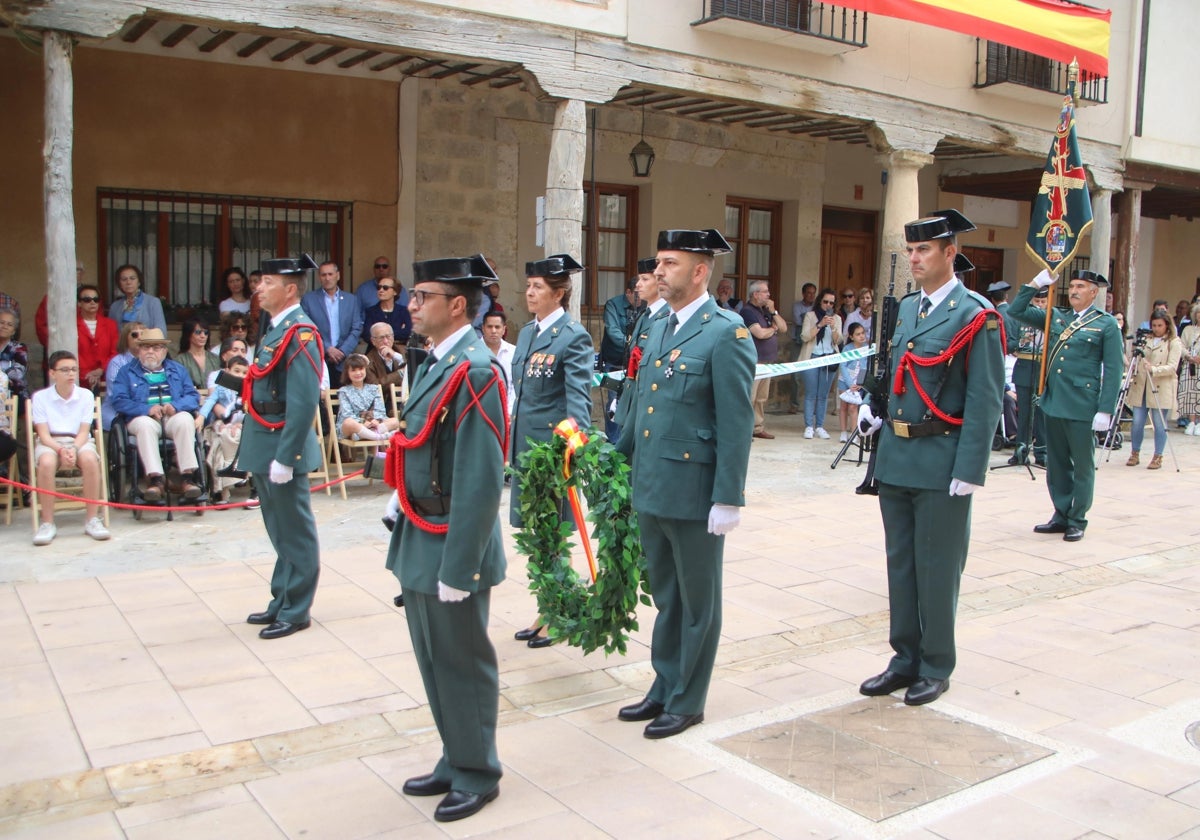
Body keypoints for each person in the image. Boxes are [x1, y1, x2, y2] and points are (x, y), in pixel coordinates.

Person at [855, 210, 1004, 706]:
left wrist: (970, 468)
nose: (915, 259)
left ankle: (936, 663)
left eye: (924, 251)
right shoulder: (908, 309)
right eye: (911, 250)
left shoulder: (975, 313)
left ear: (949, 254)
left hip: (942, 459)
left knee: (937, 568)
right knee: (901, 566)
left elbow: (984, 398)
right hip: (897, 456)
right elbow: (897, 376)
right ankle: (905, 658)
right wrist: (874, 411)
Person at [615, 228, 755, 739]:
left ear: (700, 272)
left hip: (695, 491)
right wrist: (614, 461)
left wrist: (727, 497)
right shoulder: (657, 328)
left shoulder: (727, 332)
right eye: (658, 262)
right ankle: (664, 684)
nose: (658, 272)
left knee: (699, 601)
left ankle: (689, 699)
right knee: (667, 596)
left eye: (670, 263)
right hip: (653, 484)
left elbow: (736, 422)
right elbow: (640, 408)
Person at [385, 254, 507, 823]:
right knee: (434, 660)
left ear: (456, 304)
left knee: (462, 660)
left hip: (453, 539)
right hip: (423, 529)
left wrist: (461, 567)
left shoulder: (475, 369)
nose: (411, 305)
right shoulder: (437, 361)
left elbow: (482, 480)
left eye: (421, 296)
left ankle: (478, 770)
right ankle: (455, 753)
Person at [509, 254, 594, 648]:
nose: (529, 292)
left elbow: (578, 401)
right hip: (525, 453)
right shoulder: (527, 334)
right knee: (536, 537)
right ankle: (547, 609)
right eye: (528, 286)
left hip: (550, 456)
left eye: (538, 287)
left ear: (559, 294)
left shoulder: (572, 336)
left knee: (554, 537)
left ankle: (562, 615)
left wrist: (572, 447)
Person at [240, 255, 325, 640]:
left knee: (295, 530)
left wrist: (287, 457)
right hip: (265, 437)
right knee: (278, 528)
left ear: (290, 290)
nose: (259, 288)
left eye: (267, 282)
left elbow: (304, 400)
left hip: (281, 443)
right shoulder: (275, 327)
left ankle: (297, 609)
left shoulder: (301, 332)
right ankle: (282, 598)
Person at [1009, 268, 1124, 542]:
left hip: (1083, 405)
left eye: (1081, 286)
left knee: (1082, 465)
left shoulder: (1105, 324)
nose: (1073, 291)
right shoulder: (1057, 317)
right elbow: (1016, 310)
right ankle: (1061, 514)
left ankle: (1077, 518)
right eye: (1071, 285)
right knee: (1058, 463)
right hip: (1054, 401)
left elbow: (1114, 368)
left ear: (1094, 292)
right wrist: (1035, 283)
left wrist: (1105, 409)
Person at [108, 327, 204, 502]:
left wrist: (175, 405)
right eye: (146, 347)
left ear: (165, 351)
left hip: (171, 417)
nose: (150, 351)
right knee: (145, 425)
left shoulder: (178, 370)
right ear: (139, 351)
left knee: (185, 419)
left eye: (156, 347)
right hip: (142, 418)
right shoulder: (126, 372)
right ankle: (156, 480)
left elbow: (193, 396)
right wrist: (146, 409)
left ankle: (187, 479)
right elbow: (119, 401)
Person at [31, 351, 110, 546]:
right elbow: (43, 434)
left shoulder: (85, 395)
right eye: (65, 370)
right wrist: (60, 450)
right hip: (51, 442)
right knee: (47, 462)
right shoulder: (41, 397)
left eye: (74, 369)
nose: (70, 374)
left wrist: (73, 448)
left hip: (78, 441)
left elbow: (84, 431)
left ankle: (92, 519)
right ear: (52, 373)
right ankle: (47, 522)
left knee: (91, 460)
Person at [612, 257, 668, 430]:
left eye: (644, 279)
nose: (637, 285)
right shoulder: (645, 315)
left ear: (659, 282)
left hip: (650, 404)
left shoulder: (668, 317)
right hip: (634, 400)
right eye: (638, 279)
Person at [1125, 312, 1182, 470]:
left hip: (1159, 386)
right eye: (1154, 325)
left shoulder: (1174, 342)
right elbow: (1138, 360)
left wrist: (1155, 369)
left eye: (1160, 325)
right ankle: (1135, 452)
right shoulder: (1146, 339)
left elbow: (1172, 367)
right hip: (1142, 385)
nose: (1156, 329)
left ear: (1167, 325)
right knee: (1137, 422)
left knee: (1159, 423)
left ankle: (1158, 455)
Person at [197, 354, 249, 503]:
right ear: (227, 371)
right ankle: (227, 483)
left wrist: (242, 423)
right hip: (221, 422)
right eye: (236, 371)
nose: (240, 375)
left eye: (244, 373)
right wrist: (201, 416)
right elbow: (210, 401)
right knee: (223, 435)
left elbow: (251, 409)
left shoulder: (249, 389)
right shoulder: (221, 388)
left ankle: (237, 471)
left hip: (242, 423)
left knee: (236, 434)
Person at [301, 261, 364, 385]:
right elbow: (307, 328)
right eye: (323, 275)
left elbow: (357, 328)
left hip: (345, 360)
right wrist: (327, 348)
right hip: (319, 358)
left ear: (338, 275)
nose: (327, 278)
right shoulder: (309, 299)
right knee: (323, 401)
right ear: (319, 277)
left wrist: (342, 351)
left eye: (330, 274)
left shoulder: (351, 300)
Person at [1005, 288, 1048, 466]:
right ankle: (1020, 451)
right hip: (1023, 367)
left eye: (1043, 302)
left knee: (1041, 412)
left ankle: (1042, 452)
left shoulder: (1050, 318)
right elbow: (1008, 344)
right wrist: (1022, 342)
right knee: (1024, 413)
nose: (1039, 305)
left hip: (1042, 369)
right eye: (1036, 301)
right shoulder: (1019, 319)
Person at [741, 280, 787, 440]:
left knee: (761, 397)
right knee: (750, 397)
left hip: (767, 361)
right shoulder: (747, 311)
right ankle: (745, 429)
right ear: (755, 294)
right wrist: (772, 329)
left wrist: (774, 312)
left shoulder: (765, 311)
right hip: (754, 362)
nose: (768, 295)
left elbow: (783, 328)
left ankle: (757, 427)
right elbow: (759, 333)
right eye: (765, 292)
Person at [797, 288, 843, 439]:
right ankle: (809, 425)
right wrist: (820, 324)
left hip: (829, 358)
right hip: (812, 357)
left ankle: (820, 426)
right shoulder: (810, 316)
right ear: (819, 301)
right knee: (811, 393)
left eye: (831, 303)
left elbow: (838, 340)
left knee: (823, 395)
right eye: (825, 302)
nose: (828, 305)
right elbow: (804, 336)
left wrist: (832, 327)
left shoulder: (837, 318)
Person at [336, 353, 398, 440]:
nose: (358, 373)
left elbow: (380, 410)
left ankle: (370, 434)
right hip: (355, 425)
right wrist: (363, 422)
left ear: (365, 370)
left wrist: (375, 420)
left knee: (394, 421)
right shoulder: (344, 391)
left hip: (374, 423)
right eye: (353, 370)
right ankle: (377, 436)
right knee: (348, 422)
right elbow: (347, 414)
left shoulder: (374, 388)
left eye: (361, 369)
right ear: (347, 373)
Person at [74, 284, 119, 393]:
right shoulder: (72, 325)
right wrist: (87, 375)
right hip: (79, 380)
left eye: (96, 299)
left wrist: (101, 370)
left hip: (106, 378)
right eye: (87, 299)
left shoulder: (110, 324)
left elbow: (115, 351)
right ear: (79, 303)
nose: (92, 302)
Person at [108, 265, 167, 334]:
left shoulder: (153, 302)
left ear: (139, 282)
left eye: (132, 278)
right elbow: (110, 334)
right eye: (124, 279)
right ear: (120, 284)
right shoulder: (115, 306)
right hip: (122, 344)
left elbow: (161, 331)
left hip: (147, 344)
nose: (128, 282)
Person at [364, 322, 407, 414]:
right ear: (373, 341)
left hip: (407, 400)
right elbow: (375, 387)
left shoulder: (403, 352)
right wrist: (399, 374)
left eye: (388, 336)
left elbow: (414, 369)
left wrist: (396, 357)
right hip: (384, 405)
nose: (386, 341)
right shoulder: (367, 361)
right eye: (381, 338)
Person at [837, 321, 869, 442]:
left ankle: (854, 432)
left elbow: (866, 366)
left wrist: (860, 383)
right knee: (844, 406)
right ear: (851, 337)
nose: (861, 336)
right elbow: (843, 366)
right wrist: (850, 384)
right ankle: (843, 432)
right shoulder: (847, 348)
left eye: (862, 333)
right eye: (858, 334)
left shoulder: (867, 348)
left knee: (854, 407)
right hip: (845, 381)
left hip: (858, 383)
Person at [480, 310, 516, 417]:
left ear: (504, 329)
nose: (493, 331)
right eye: (489, 327)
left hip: (507, 412)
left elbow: (515, 384)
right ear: (483, 328)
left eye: (497, 327)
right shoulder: (472, 351)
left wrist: (509, 411)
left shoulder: (514, 352)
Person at [362, 274, 413, 347]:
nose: (381, 290)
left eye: (385, 288)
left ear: (395, 292)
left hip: (398, 351)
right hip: (376, 352)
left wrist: (379, 334)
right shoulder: (371, 311)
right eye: (379, 287)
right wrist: (396, 333)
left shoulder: (404, 311)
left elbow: (408, 333)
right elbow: (367, 335)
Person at [790, 282, 817, 414]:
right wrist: (812, 323)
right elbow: (798, 321)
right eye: (808, 293)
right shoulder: (797, 306)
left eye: (813, 293)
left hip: (812, 344)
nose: (811, 296)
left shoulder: (817, 308)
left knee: (813, 374)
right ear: (803, 294)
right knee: (795, 374)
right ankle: (794, 404)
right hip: (797, 343)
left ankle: (813, 405)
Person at [174, 317, 220, 389]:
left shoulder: (216, 359)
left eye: (206, 333)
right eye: (198, 332)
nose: (203, 336)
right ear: (188, 335)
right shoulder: (179, 361)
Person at [1179, 303, 1200, 435]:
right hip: (1190, 365)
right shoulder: (1188, 329)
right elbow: (1181, 345)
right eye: (1198, 312)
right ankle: (1191, 422)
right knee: (1190, 392)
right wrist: (1189, 356)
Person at [0, 308, 28, 401]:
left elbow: (17, 374)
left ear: (13, 331)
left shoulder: (19, 348)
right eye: (2, 322)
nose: (4, 326)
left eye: (9, 324)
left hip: (14, 394)